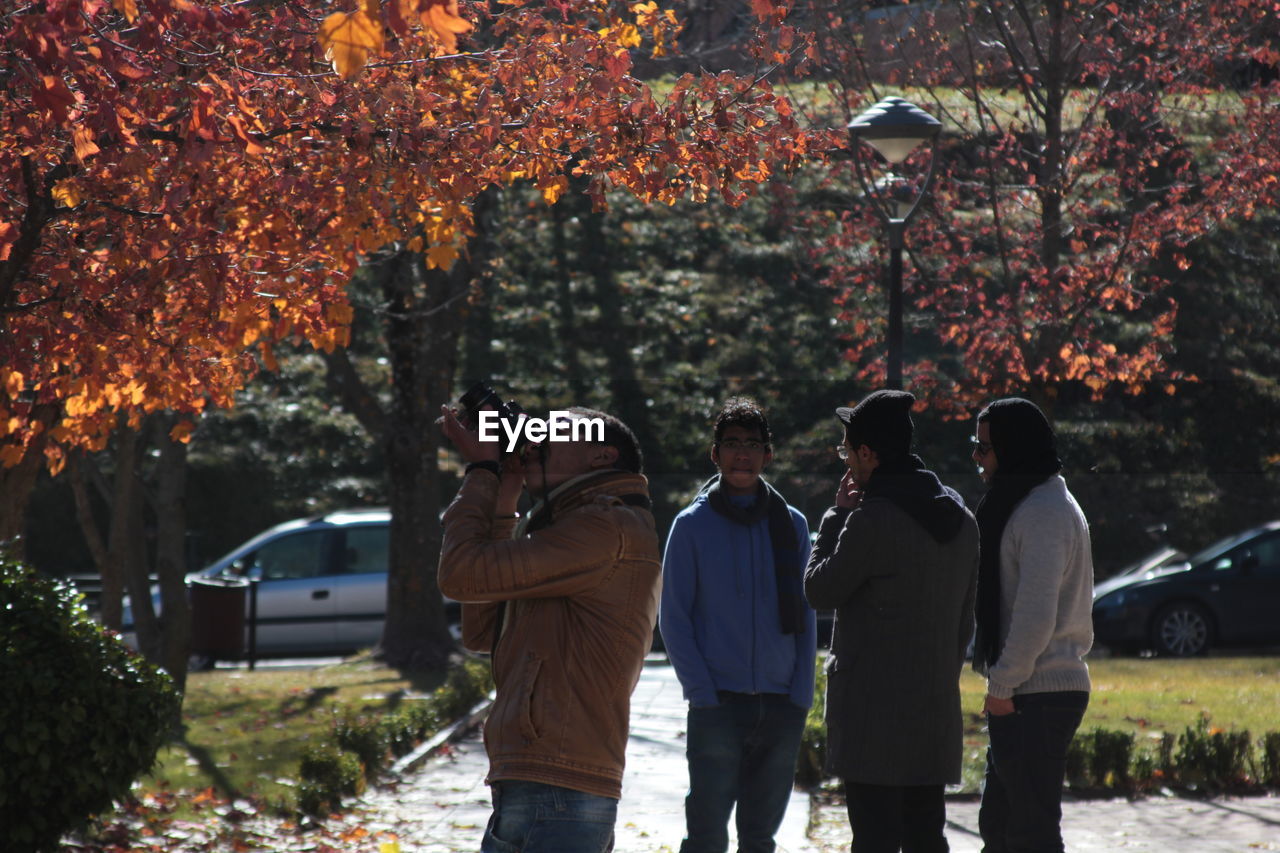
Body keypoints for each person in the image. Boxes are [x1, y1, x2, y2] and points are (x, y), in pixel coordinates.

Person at [438, 403, 662, 853]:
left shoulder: (606, 526)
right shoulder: (570, 528)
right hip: (532, 778)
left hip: (564, 790)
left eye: (552, 430)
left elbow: (460, 574)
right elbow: (484, 630)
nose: (534, 439)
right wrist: (505, 496)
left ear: (601, 456)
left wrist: (481, 469)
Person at [804, 389, 979, 853]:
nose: (846, 461)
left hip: (873, 721)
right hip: (933, 712)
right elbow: (966, 621)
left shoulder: (870, 519)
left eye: (847, 450)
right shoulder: (961, 519)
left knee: (876, 838)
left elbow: (819, 589)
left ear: (866, 452)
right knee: (926, 837)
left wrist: (835, 516)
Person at [660, 397, 816, 853]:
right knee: (707, 835)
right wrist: (701, 693)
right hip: (718, 704)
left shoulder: (792, 524)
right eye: (731, 444)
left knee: (759, 838)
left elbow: (807, 615)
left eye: (752, 444)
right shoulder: (691, 526)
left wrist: (801, 693)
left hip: (781, 703)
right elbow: (673, 618)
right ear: (716, 454)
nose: (741, 454)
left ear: (768, 454)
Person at [970, 398, 1093, 853]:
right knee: (1001, 828)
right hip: (1031, 690)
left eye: (984, 447)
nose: (977, 458)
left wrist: (1001, 688)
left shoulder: (1043, 511)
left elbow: (1036, 614)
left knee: (1028, 833)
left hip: (1037, 692)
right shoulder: (1036, 501)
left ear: (1013, 447)